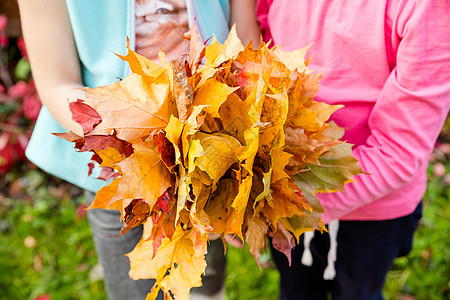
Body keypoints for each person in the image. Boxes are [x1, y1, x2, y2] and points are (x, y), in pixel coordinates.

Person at [17, 1, 252, 299]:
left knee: (204, 283)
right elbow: (56, 82)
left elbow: (242, 32)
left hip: (214, 157)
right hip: (120, 170)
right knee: (136, 288)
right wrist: (133, 148)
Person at [246, 0, 449, 299]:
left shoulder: (425, 8)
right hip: (285, 191)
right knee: (296, 289)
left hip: (374, 210)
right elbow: (259, 39)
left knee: (359, 291)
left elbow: (399, 151)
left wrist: (289, 204)